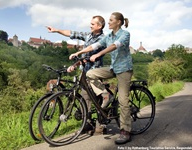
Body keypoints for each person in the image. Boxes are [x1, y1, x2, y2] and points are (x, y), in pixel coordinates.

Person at [69, 12, 133, 144]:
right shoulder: (108, 36)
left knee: (123, 100)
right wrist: (79, 52)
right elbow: (94, 46)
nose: (108, 23)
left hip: (124, 69)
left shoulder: (125, 34)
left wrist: (98, 55)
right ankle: (105, 95)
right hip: (113, 67)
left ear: (119, 22)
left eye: (110, 20)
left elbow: (115, 45)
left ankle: (125, 131)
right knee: (90, 74)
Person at [46, 15, 106, 134]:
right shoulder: (88, 35)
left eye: (93, 24)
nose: (90, 25)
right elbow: (72, 33)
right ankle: (87, 124)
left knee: (96, 98)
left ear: (99, 26)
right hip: (84, 71)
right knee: (85, 98)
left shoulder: (103, 38)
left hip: (95, 72)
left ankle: (101, 124)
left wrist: (78, 53)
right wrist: (57, 30)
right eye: (91, 23)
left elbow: (90, 49)